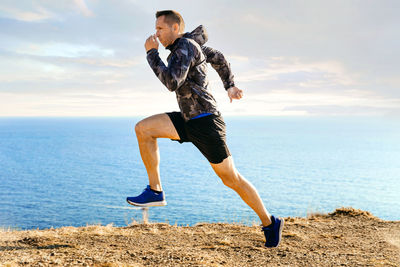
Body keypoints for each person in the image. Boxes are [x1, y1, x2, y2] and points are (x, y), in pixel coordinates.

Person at [127, 10, 284, 247]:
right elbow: (217, 56)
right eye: (156, 28)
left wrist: (151, 53)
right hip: (189, 119)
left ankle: (270, 223)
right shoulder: (186, 46)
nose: (156, 33)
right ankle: (155, 190)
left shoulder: (185, 47)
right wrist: (230, 86)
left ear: (175, 28)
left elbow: (172, 82)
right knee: (143, 129)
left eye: (160, 28)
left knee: (231, 179)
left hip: (207, 123)